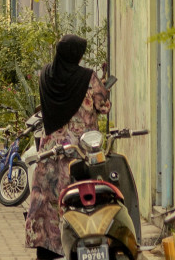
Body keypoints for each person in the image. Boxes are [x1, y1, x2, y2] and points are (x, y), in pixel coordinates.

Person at [25, 35, 111, 260]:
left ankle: (46, 250)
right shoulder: (87, 77)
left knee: (47, 202)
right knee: (81, 203)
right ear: (76, 54)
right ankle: (81, 247)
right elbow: (104, 106)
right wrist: (104, 85)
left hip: (50, 151)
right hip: (79, 154)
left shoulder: (45, 74)